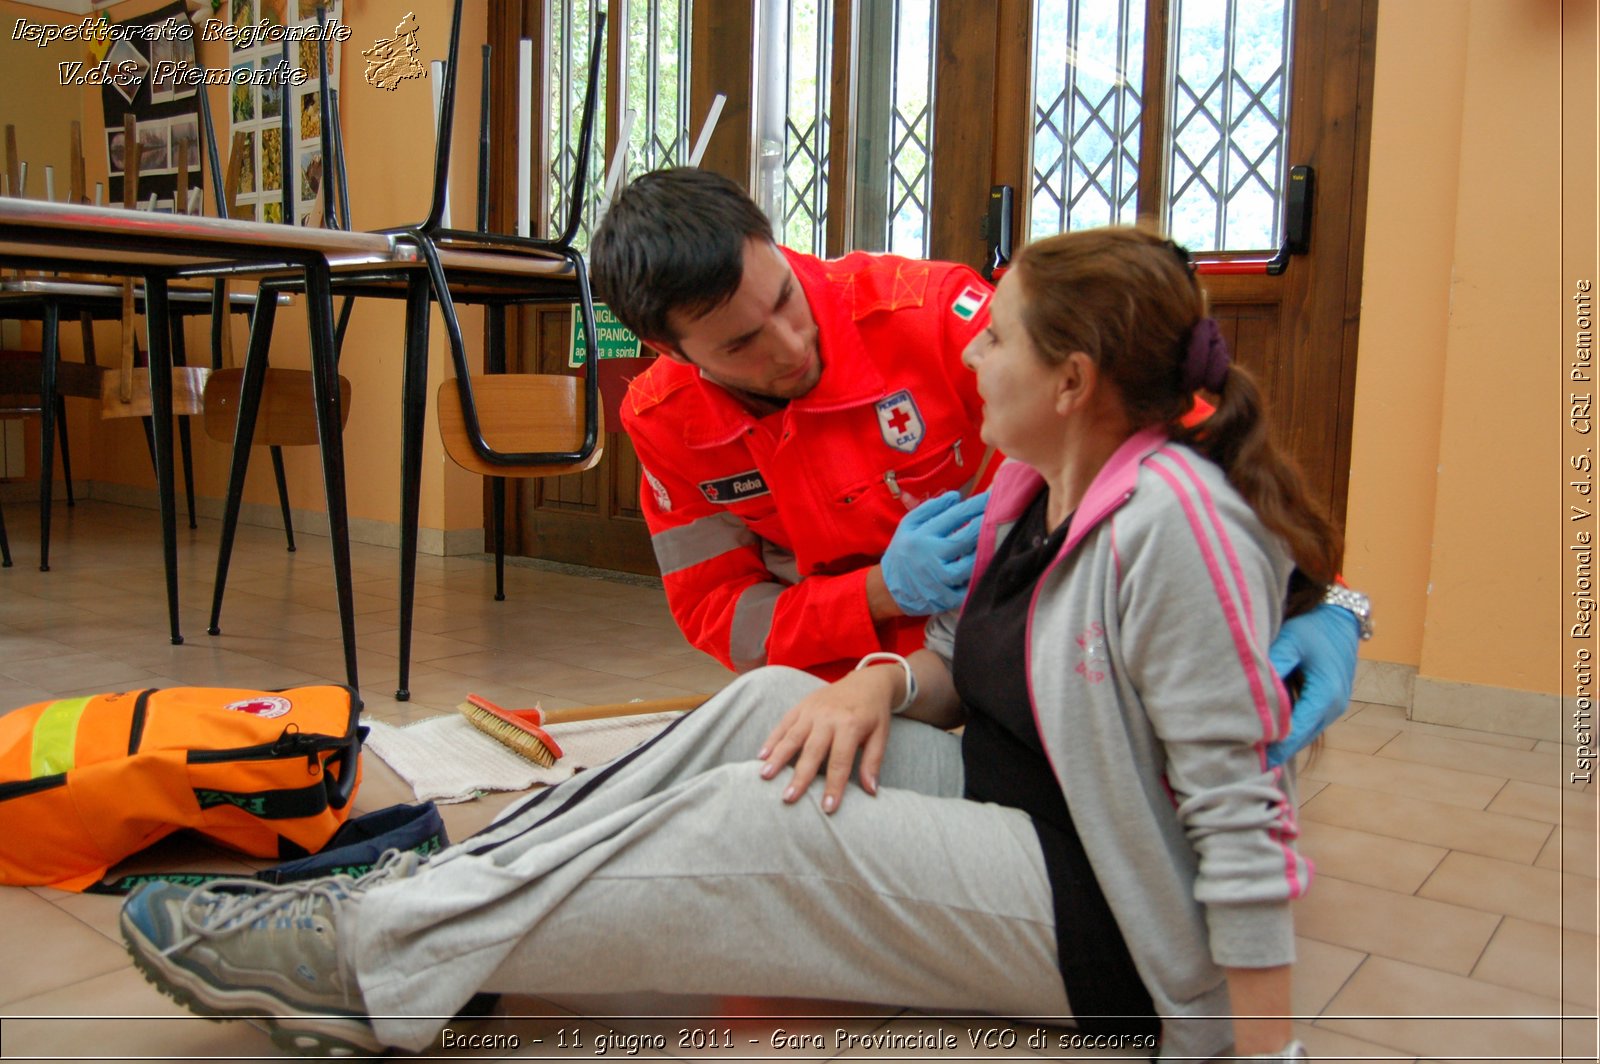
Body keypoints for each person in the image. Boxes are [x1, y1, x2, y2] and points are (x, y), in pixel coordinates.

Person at [121, 226, 1328, 1060]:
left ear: (1069, 380)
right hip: (1012, 801)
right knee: (766, 711)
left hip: (1107, 913)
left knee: (752, 820)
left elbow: (1240, 821)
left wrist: (1251, 1045)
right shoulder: (1030, 480)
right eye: (740, 338)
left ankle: (369, 965)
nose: (971, 354)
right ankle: (425, 897)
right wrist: (874, 674)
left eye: (997, 341)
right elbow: (906, 641)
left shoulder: (1171, 524)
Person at [590, 167, 1366, 765]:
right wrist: (876, 594)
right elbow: (722, 613)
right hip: (866, 677)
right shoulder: (665, 422)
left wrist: (1322, 597)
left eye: (785, 299)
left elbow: (1180, 415)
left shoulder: (930, 313)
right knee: (760, 763)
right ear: (669, 353)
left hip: (1020, 656)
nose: (791, 347)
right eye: (740, 345)